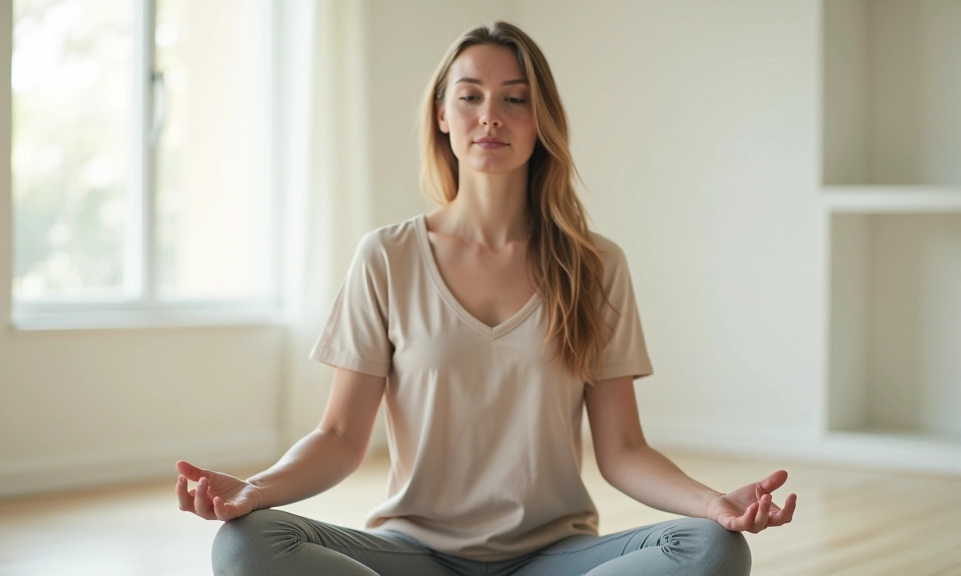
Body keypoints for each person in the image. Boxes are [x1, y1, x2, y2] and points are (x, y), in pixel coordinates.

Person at [175, 21, 796, 576]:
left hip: (554, 555)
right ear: (442, 115)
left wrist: (711, 504)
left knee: (714, 549)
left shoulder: (596, 265)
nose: (490, 115)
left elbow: (623, 451)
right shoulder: (387, 257)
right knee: (245, 544)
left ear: (540, 120)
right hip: (412, 553)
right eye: (470, 95)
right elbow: (339, 436)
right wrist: (255, 490)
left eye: (514, 99)